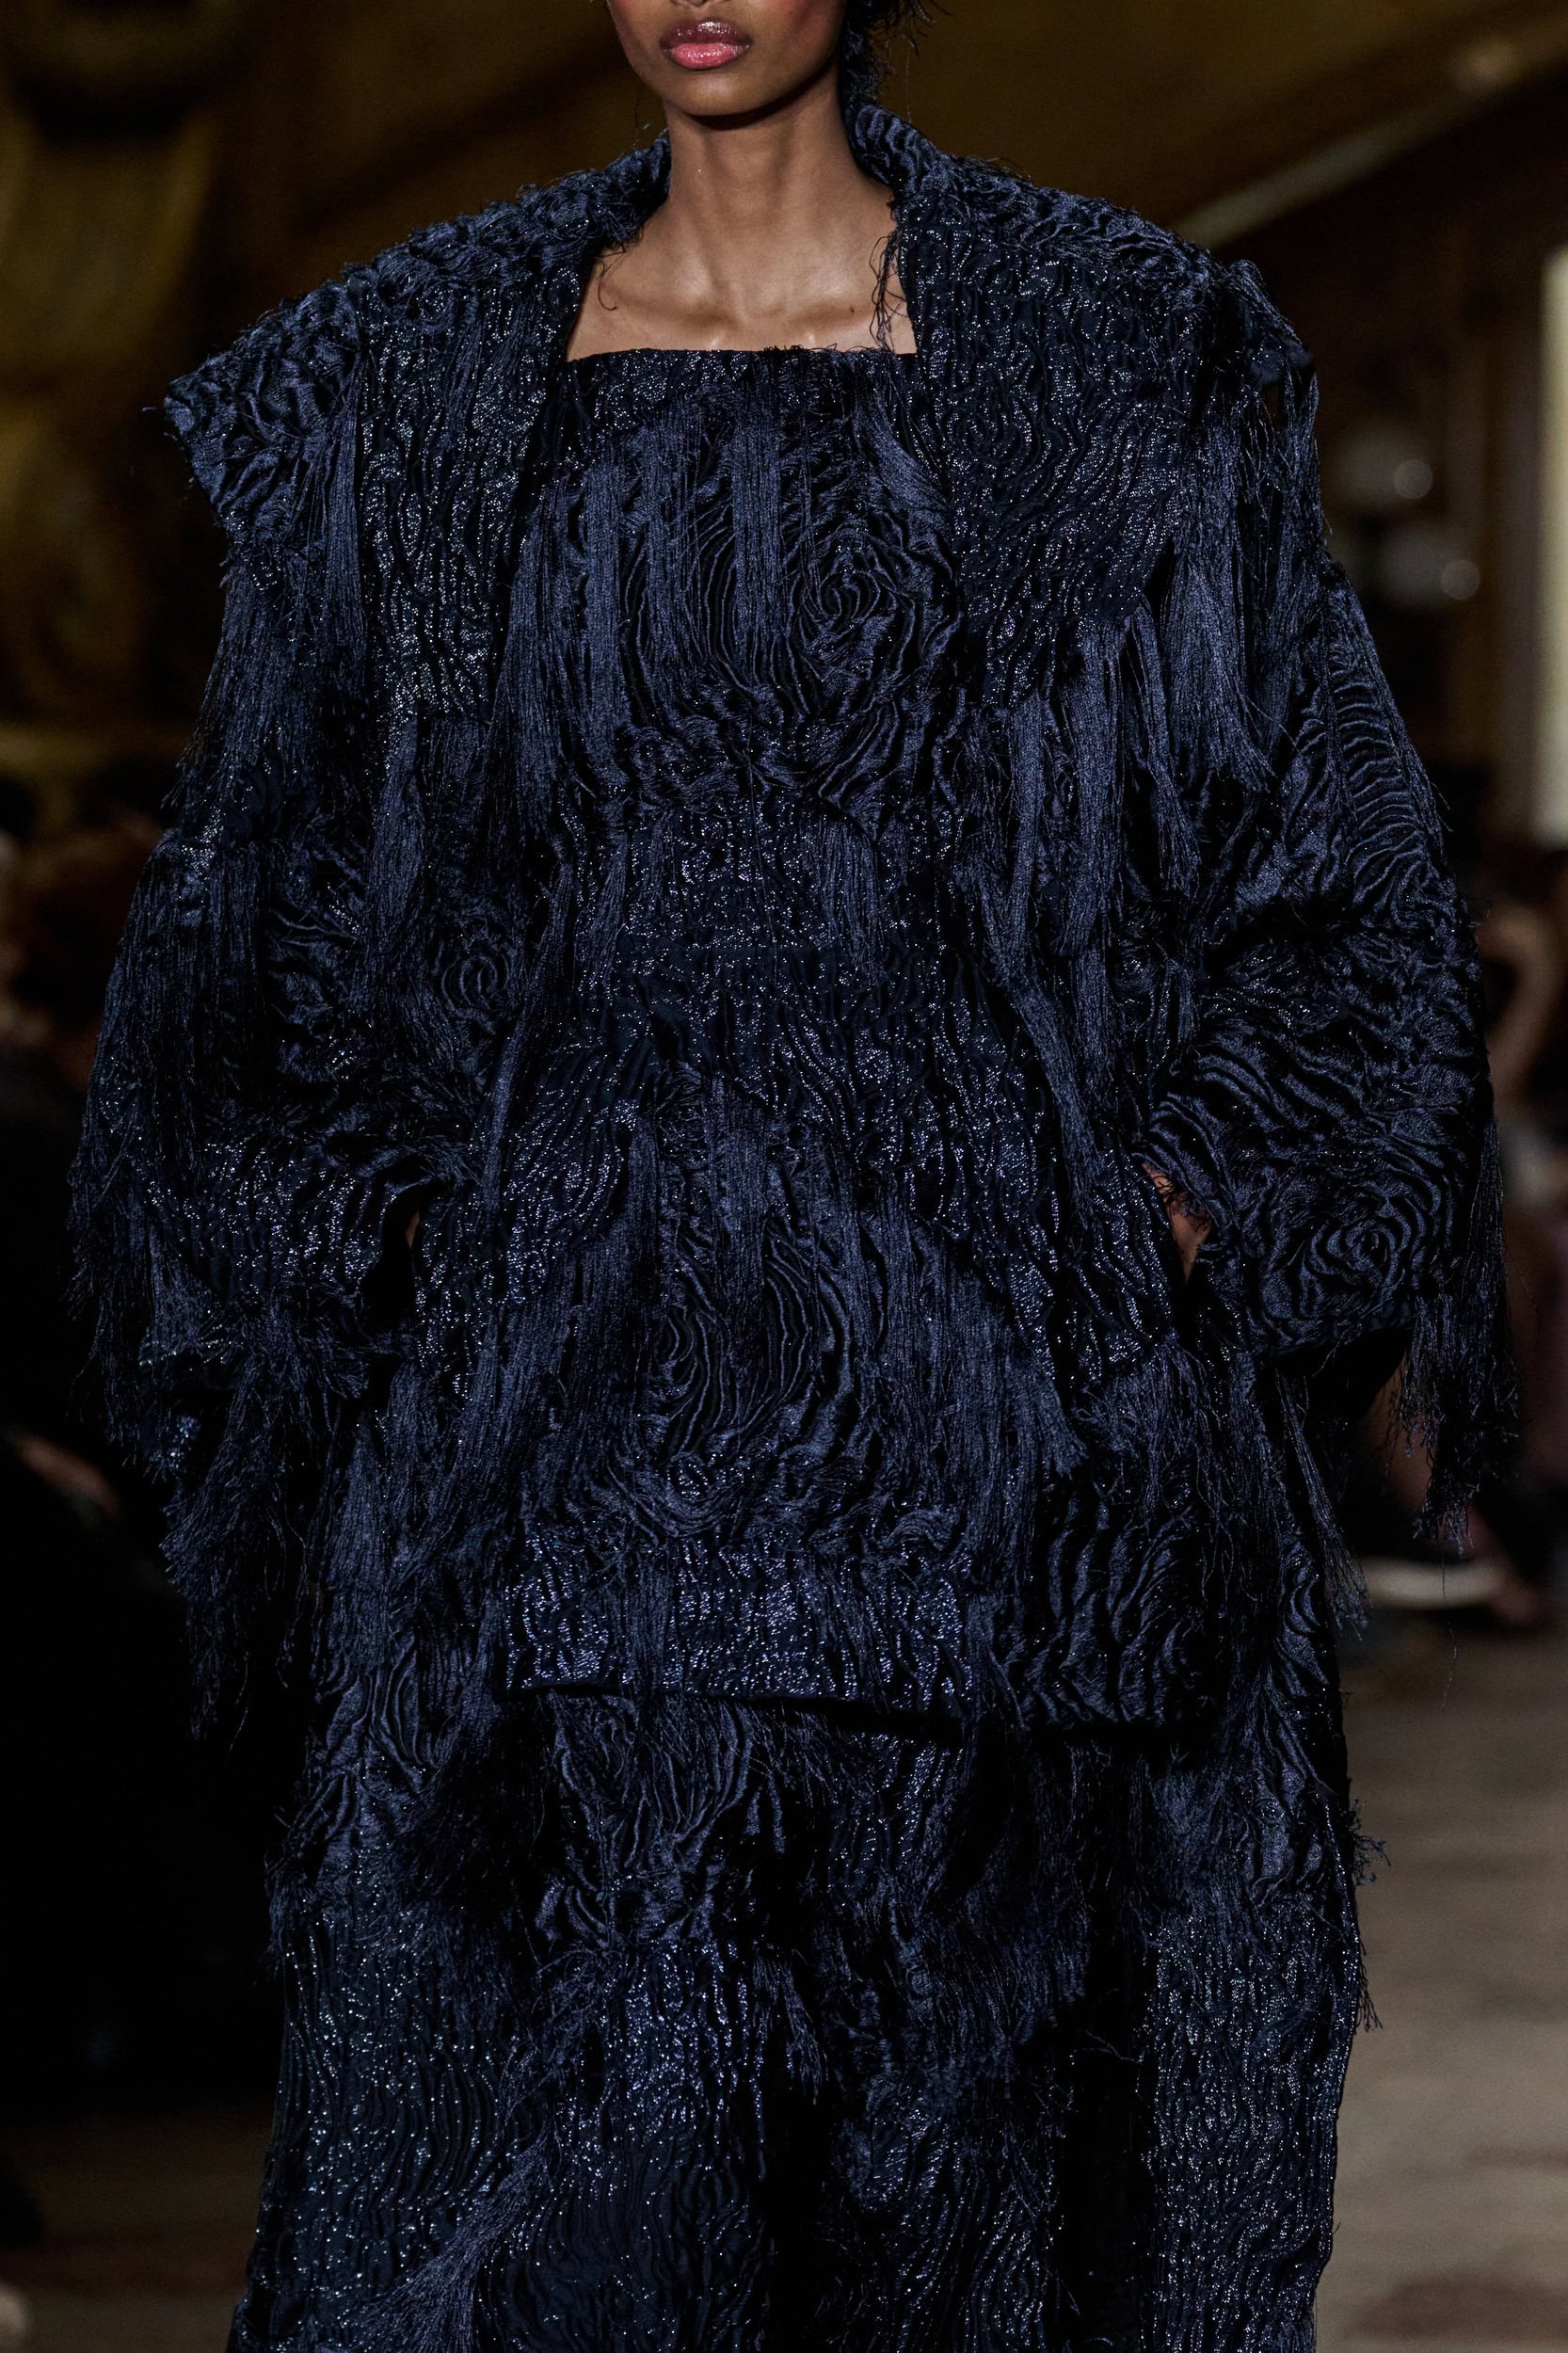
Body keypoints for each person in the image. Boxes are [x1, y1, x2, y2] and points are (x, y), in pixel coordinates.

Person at [72, 0, 1510, 2345]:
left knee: (969, 2233)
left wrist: (1124, 1240)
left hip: (996, 1518)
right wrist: (444, 1261)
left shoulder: (1111, 354)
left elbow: (1329, 889)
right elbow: (261, 921)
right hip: (552, 1518)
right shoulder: (419, 379)